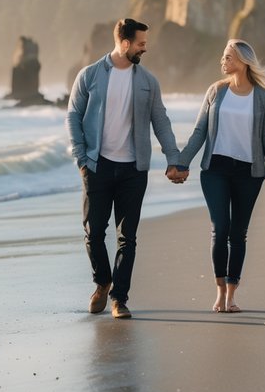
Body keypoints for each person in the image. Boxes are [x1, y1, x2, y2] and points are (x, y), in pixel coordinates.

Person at [66, 18, 183, 319]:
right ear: (126, 43)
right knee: (93, 232)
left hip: (133, 168)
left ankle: (119, 298)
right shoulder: (90, 75)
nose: (146, 48)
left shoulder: (147, 81)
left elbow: (161, 122)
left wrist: (174, 158)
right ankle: (103, 282)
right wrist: (82, 159)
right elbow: (73, 117)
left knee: (126, 236)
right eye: (141, 43)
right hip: (97, 166)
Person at [174, 39, 265, 313]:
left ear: (242, 61)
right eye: (223, 57)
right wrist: (180, 163)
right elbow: (199, 132)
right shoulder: (216, 91)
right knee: (220, 229)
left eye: (228, 57)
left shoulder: (262, 97)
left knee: (238, 234)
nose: (223, 61)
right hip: (215, 169)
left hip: (248, 173)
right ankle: (219, 291)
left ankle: (232, 293)